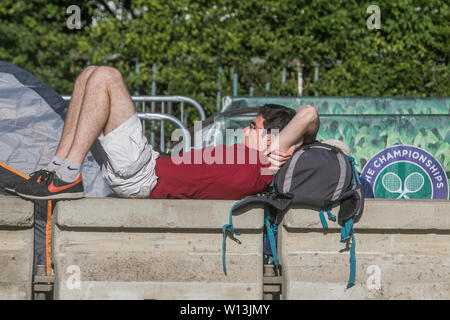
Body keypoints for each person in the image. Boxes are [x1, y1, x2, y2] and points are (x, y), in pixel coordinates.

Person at [13, 66, 319, 200]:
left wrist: (292, 145)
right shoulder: (258, 159)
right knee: (88, 75)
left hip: (144, 173)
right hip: (146, 167)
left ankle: (67, 176)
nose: (245, 132)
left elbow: (308, 114)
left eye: (254, 128)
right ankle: (58, 168)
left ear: (275, 140)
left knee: (107, 76)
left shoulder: (265, 161)